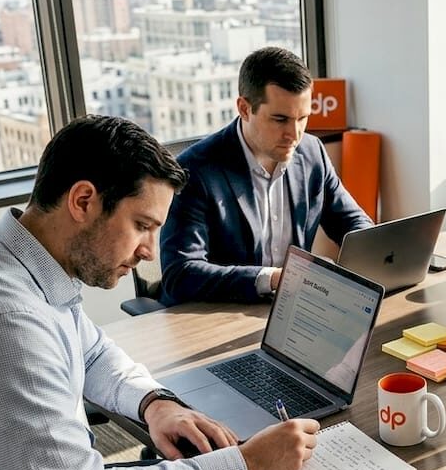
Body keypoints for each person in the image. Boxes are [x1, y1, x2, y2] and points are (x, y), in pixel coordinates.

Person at [0, 115, 320, 470]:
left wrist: (155, 404)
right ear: (83, 201)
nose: (150, 251)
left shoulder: (21, 260)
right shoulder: (4, 317)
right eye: (142, 226)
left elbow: (92, 351)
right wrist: (248, 463)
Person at [159, 46, 372, 305]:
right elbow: (180, 274)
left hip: (292, 311)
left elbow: (352, 223)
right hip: (220, 317)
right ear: (244, 108)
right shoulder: (196, 171)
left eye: (302, 118)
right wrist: (271, 279)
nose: (294, 134)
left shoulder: (312, 151)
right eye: (280, 119)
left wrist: (377, 253)